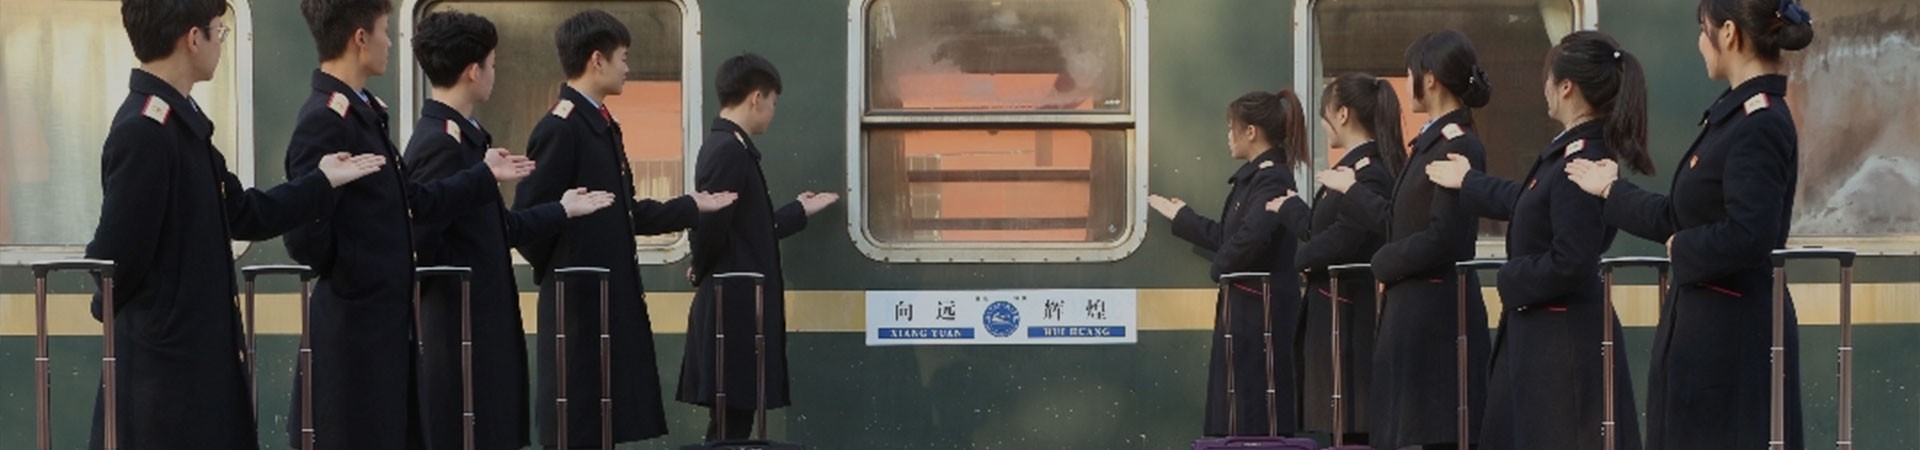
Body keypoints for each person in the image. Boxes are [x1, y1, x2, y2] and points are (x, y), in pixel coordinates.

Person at [82, 1, 384, 447]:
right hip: (165, 375)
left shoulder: (180, 122)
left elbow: (243, 213)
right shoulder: (145, 130)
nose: (221, 44)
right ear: (193, 38)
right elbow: (114, 258)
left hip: (189, 365)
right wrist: (143, 313)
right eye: (219, 31)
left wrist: (320, 181)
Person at [282, 0, 535, 447]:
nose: (389, 41)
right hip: (353, 332)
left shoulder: (363, 114)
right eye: (384, 30)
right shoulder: (325, 118)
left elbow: (412, 201)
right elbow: (304, 236)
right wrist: (363, 273)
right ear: (360, 38)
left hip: (381, 331)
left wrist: (483, 175)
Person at [1565, 1, 1816, 448]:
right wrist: (1611, 192)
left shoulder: (1758, 122)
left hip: (1731, 342)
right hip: (1709, 335)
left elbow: (1752, 234)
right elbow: (1678, 216)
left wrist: (1682, 249)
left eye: (1704, 30)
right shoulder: (1734, 117)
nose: (1700, 42)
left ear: (1729, 33)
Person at [512, 9, 736, 448]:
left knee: (602, 421)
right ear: (597, 60)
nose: (627, 67)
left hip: (604, 301)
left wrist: (691, 206)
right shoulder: (561, 128)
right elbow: (530, 221)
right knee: (578, 422)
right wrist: (569, 267)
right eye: (623, 57)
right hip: (578, 307)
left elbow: (625, 213)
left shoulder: (599, 124)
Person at [1425, 30, 1653, 450]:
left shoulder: (1581, 157)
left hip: (1559, 350)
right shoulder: (1571, 152)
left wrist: (1510, 277)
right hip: (1548, 342)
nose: (1544, 86)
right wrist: (1471, 183)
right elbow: (1531, 200)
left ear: (1566, 87)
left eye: (1549, 77)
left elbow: (1572, 260)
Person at [405, 11, 619, 450]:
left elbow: (497, 229)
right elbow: (421, 240)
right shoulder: (440, 144)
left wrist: (562, 209)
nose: (493, 73)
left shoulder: (464, 141)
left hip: (478, 329)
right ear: (473, 71)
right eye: (492, 64)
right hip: (458, 333)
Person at [1329, 29, 1493, 450]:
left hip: (1435, 317)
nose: (1407, 84)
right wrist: (1353, 192)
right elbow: (1397, 219)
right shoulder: (1430, 142)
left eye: (1410, 73)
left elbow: (1446, 237)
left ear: (1430, 78)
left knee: (1437, 434)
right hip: (1415, 315)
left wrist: (1384, 261)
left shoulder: (1458, 144)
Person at [677, 53, 840, 442]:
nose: (773, 112)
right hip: (733, 306)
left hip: (735, 304)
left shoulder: (729, 147)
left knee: (734, 419)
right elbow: (710, 223)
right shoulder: (728, 150)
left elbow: (745, 230)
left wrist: (797, 211)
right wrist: (699, 268)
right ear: (756, 98)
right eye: (773, 102)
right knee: (732, 422)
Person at [1148, 88, 1311, 437]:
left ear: (1250, 131)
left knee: (1252, 406)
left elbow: (1251, 238)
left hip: (1259, 314)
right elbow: (1230, 236)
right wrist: (1184, 218)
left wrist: (1218, 267)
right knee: (1240, 404)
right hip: (1248, 312)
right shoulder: (1256, 178)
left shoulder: (1271, 177)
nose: (1228, 135)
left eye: (1231, 127)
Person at [1264, 73, 1404, 446]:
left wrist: (1301, 258)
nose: (1323, 123)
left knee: (1354, 424)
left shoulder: (1369, 173)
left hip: (1351, 316)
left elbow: (1346, 236)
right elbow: (1321, 227)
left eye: (1325, 113)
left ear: (1342, 114)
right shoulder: (1354, 169)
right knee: (1341, 426)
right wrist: (1292, 210)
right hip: (1335, 312)